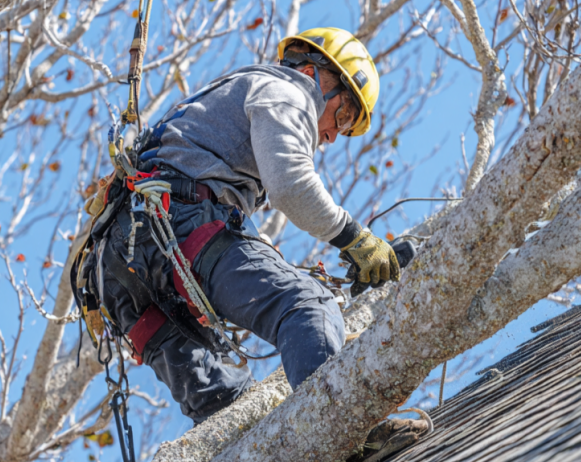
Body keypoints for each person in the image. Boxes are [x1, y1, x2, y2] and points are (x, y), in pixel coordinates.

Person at [72, 27, 401, 424]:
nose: (332, 135)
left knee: (228, 412)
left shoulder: (225, 105)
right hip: (178, 224)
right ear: (315, 74)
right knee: (306, 305)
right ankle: (345, 431)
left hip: (120, 274)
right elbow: (291, 184)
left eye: (346, 130)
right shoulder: (289, 91)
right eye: (344, 114)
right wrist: (356, 240)